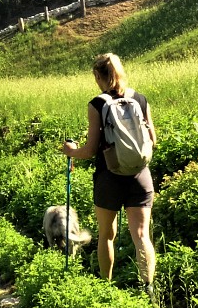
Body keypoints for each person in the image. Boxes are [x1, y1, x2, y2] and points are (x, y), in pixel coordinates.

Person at [61, 52, 157, 288]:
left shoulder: (97, 104)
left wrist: (71, 151)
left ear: (97, 76)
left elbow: (91, 149)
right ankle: (149, 288)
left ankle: (106, 287)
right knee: (142, 235)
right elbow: (152, 139)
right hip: (139, 176)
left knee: (107, 234)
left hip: (109, 177)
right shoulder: (140, 99)